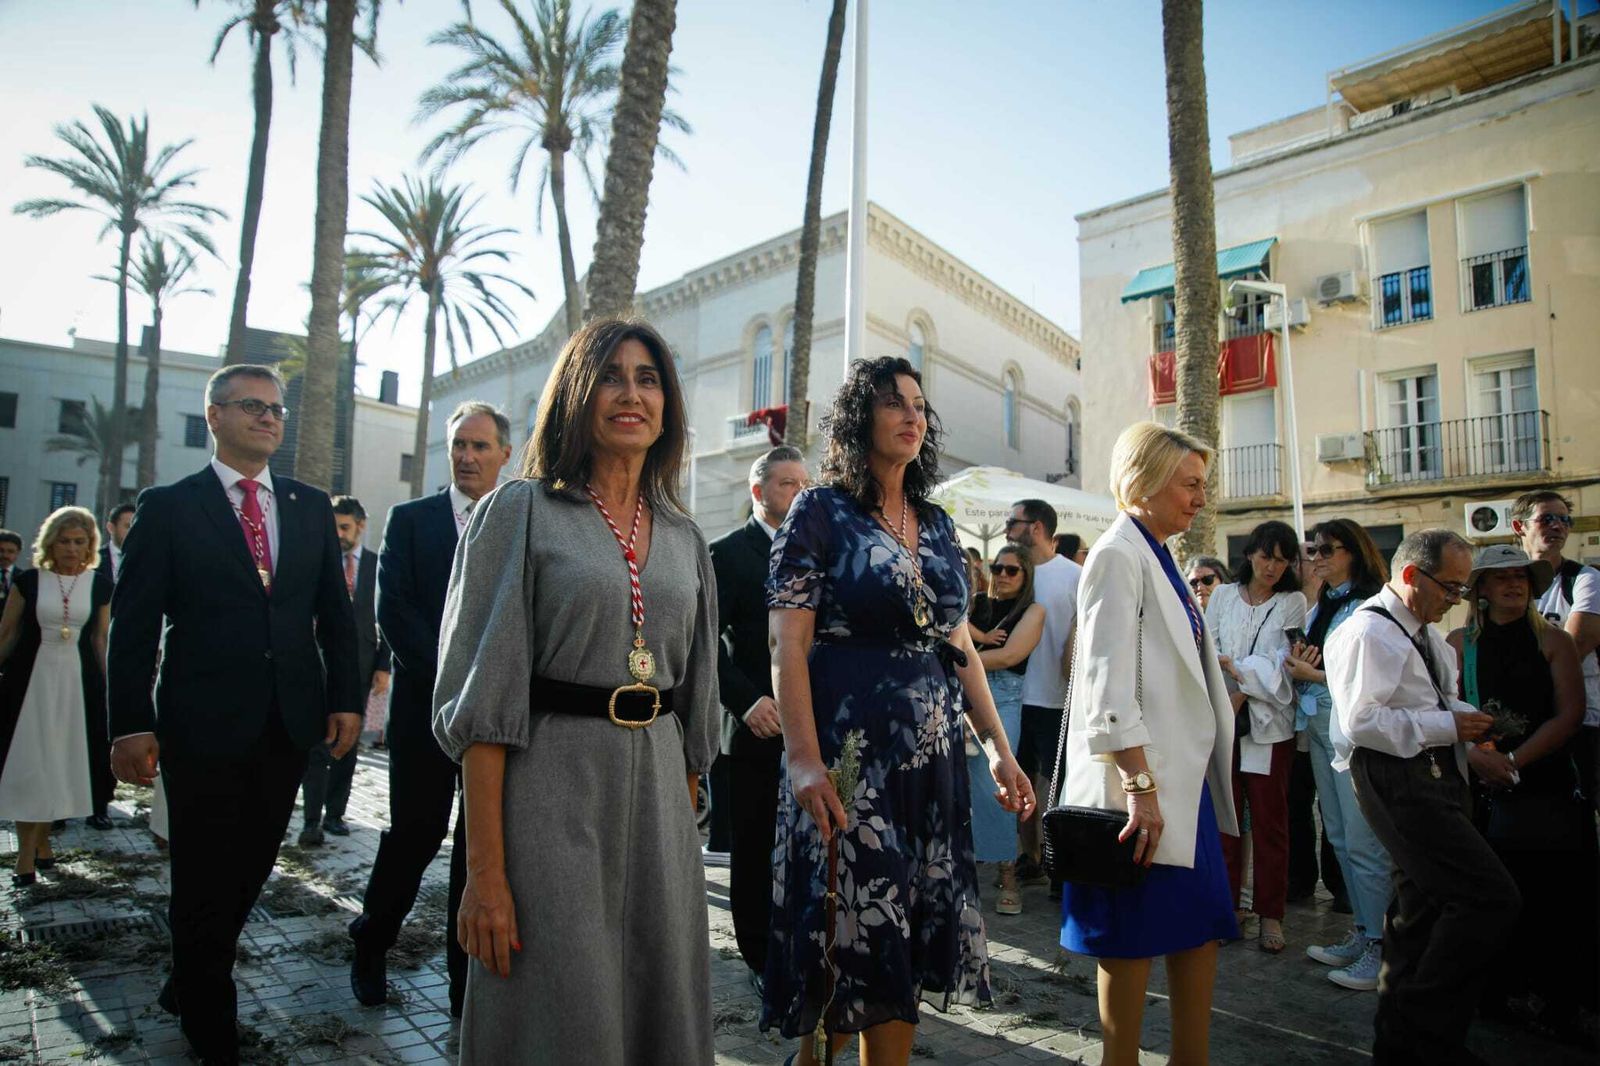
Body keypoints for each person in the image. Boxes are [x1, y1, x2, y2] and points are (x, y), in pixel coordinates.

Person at [433, 318, 720, 1063]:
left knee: (659, 1003)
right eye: (612, 376)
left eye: (649, 378)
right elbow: (483, 713)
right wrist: (485, 876)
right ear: (575, 395)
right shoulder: (519, 512)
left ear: (668, 405)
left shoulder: (686, 538)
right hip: (549, 795)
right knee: (559, 1009)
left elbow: (693, 705)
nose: (632, 394)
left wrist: (681, 830)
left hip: (659, 798)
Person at [763, 355, 1033, 1066]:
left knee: (906, 931)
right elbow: (786, 645)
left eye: (919, 404)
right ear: (861, 419)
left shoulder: (941, 527)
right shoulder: (819, 512)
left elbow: (960, 648)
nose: (913, 415)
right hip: (848, 759)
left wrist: (999, 749)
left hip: (932, 765)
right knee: (847, 926)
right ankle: (818, 1049)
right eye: (894, 403)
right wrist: (802, 758)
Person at [108, 364, 361, 1064]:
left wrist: (344, 697)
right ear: (214, 416)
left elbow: (335, 618)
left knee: (250, 865)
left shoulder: (309, 506)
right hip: (201, 722)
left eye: (277, 408)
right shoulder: (170, 506)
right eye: (252, 406)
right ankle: (208, 1017)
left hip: (289, 721)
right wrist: (129, 724)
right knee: (202, 870)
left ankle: (189, 971)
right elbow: (132, 625)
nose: (269, 418)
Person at [1058, 422, 1239, 1066]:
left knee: (1199, 933)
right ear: (1145, 481)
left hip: (1178, 788)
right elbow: (1103, 679)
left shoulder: (1155, 552)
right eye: (1190, 484)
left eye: (1202, 484)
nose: (1200, 497)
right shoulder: (1117, 553)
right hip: (1144, 791)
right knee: (1131, 942)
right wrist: (1139, 787)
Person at [1324, 528, 1515, 1066]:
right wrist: (1449, 726)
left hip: (1430, 773)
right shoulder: (1369, 633)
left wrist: (1469, 732)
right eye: (1451, 588)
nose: (1457, 599)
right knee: (1487, 897)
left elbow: (1435, 700)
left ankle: (1404, 1044)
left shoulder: (1423, 635)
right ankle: (1425, 1033)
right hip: (1397, 777)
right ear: (1411, 576)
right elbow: (1362, 722)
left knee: (1421, 909)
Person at [349, 401, 512, 1014]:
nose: (467, 457)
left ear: (504, 453)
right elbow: (394, 614)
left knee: (481, 845)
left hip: (498, 722)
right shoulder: (411, 520)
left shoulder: (520, 517)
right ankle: (371, 941)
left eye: (480, 446)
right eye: (459, 447)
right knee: (415, 837)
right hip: (427, 713)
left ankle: (463, 985)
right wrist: (459, 682)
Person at [1445, 544, 1594, 1037]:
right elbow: (1446, 713)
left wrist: (1514, 762)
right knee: (1496, 897)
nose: (1514, 584)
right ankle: (1498, 992)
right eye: (1501, 577)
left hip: (1546, 787)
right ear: (1480, 589)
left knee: (1558, 900)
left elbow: (1569, 713)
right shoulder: (1457, 642)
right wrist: (1479, 759)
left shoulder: (1554, 640)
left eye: (1522, 577)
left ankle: (1559, 1000)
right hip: (1483, 793)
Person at [709, 444, 809, 984]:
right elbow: (703, 643)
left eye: (802, 483)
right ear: (758, 491)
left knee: (800, 850)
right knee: (752, 852)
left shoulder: (817, 554)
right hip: (752, 732)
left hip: (810, 733)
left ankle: (798, 945)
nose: (798, 493)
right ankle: (758, 959)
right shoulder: (726, 553)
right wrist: (746, 702)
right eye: (787, 484)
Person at [1288, 519, 1392, 990]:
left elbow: (1368, 681)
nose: (1317, 557)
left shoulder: (1368, 606)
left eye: (1327, 549)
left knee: (1364, 840)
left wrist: (1311, 676)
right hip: (1319, 723)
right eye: (1313, 550)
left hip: (1350, 726)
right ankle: (1366, 931)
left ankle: (1382, 947)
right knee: (1339, 836)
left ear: (1354, 551)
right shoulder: (1324, 603)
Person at [1205, 520, 1305, 953]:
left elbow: (1281, 663)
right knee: (1226, 819)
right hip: (1222, 722)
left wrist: (1238, 680)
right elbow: (1206, 648)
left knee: (1269, 823)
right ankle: (1229, 909)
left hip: (1268, 728)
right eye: (1266, 556)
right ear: (1250, 555)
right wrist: (1231, 674)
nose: (1272, 567)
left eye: (1282, 559)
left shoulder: (1292, 602)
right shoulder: (1224, 595)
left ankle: (1271, 915)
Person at [0, 507, 112, 885]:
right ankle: (24, 856)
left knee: (59, 763)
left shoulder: (99, 585)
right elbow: (7, 634)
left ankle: (43, 841)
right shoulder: (28, 582)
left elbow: (100, 638)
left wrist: (112, 686)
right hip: (29, 681)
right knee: (29, 764)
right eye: (64, 541)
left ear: (90, 545)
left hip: (76, 685)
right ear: (50, 542)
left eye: (79, 542)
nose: (71, 548)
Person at [298, 496, 390, 846]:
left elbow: (387, 619)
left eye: (345, 527)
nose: (338, 534)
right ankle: (311, 820)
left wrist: (383, 666)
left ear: (360, 526)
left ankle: (336, 814)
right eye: (334, 526)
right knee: (318, 744)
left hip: (362, 667)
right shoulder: (317, 562)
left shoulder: (375, 565)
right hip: (318, 666)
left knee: (347, 745)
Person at [1006, 498, 1081, 893]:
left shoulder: (1074, 576)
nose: (1006, 528)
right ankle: (1028, 857)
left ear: (1036, 527)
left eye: (1012, 522)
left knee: (1056, 786)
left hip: (1056, 699)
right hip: (1012, 697)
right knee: (1018, 784)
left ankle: (1057, 863)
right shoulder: (1010, 570)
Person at [968, 544, 1046, 915]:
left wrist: (957, 660)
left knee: (999, 787)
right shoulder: (977, 606)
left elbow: (1011, 655)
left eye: (1012, 570)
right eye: (998, 567)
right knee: (960, 788)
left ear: (1026, 575)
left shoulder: (1033, 611)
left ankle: (1008, 875)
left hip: (1004, 703)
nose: (1002, 574)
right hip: (962, 698)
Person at [1513, 490, 1600, 811]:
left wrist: (1511, 672)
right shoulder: (1503, 582)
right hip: (1521, 725)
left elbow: (1574, 648)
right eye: (1546, 518)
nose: (1558, 526)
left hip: (1583, 722)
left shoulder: (1584, 580)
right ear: (1519, 526)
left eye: (1564, 520)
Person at [99, 503, 134, 581]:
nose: (132, 532)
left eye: (135, 527)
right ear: (111, 527)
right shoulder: (95, 558)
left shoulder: (144, 560)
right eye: (127, 526)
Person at [0, 531, 22, 618]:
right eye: (1, 550)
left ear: (18, 553)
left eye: (10, 551)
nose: (5, 555)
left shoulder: (23, 578)